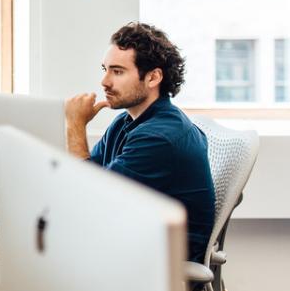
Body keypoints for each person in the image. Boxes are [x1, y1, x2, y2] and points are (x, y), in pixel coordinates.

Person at [65, 22, 215, 263]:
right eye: (105, 69)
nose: (104, 82)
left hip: (159, 264)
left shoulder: (159, 138)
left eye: (117, 71)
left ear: (153, 77)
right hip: (132, 244)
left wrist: (75, 125)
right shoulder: (126, 122)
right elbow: (88, 184)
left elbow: (89, 200)